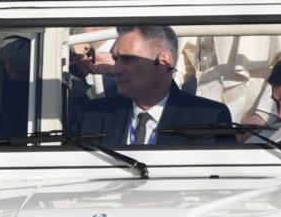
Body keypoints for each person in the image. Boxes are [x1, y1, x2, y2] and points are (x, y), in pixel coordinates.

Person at [75, 26, 231, 144]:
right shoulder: (92, 115)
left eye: (128, 59)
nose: (116, 70)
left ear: (163, 62)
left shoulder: (208, 118)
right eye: (116, 59)